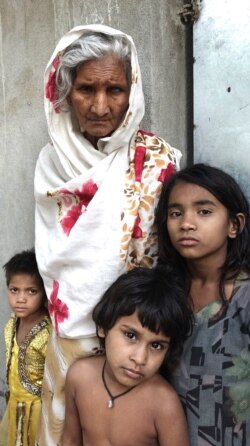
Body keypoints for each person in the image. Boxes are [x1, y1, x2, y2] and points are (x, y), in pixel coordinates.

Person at [34, 24, 182, 444]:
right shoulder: (51, 164)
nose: (100, 105)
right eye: (86, 89)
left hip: (141, 335)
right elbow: (54, 262)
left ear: (131, 92)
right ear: (64, 93)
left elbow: (169, 259)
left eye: (114, 90)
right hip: (70, 340)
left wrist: (139, 336)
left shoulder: (155, 162)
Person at [156, 163, 250, 445]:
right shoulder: (161, 293)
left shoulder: (244, 298)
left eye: (204, 211)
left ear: (234, 225)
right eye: (175, 213)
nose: (187, 223)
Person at [61, 266, 193, 446]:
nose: (140, 359)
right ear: (103, 326)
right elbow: (70, 440)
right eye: (131, 335)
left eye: (156, 345)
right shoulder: (79, 376)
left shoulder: (164, 404)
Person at [0, 249, 51, 446]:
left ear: (44, 293)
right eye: (14, 290)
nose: (21, 299)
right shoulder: (11, 324)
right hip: (13, 407)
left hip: (38, 414)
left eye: (31, 291)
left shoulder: (48, 333)